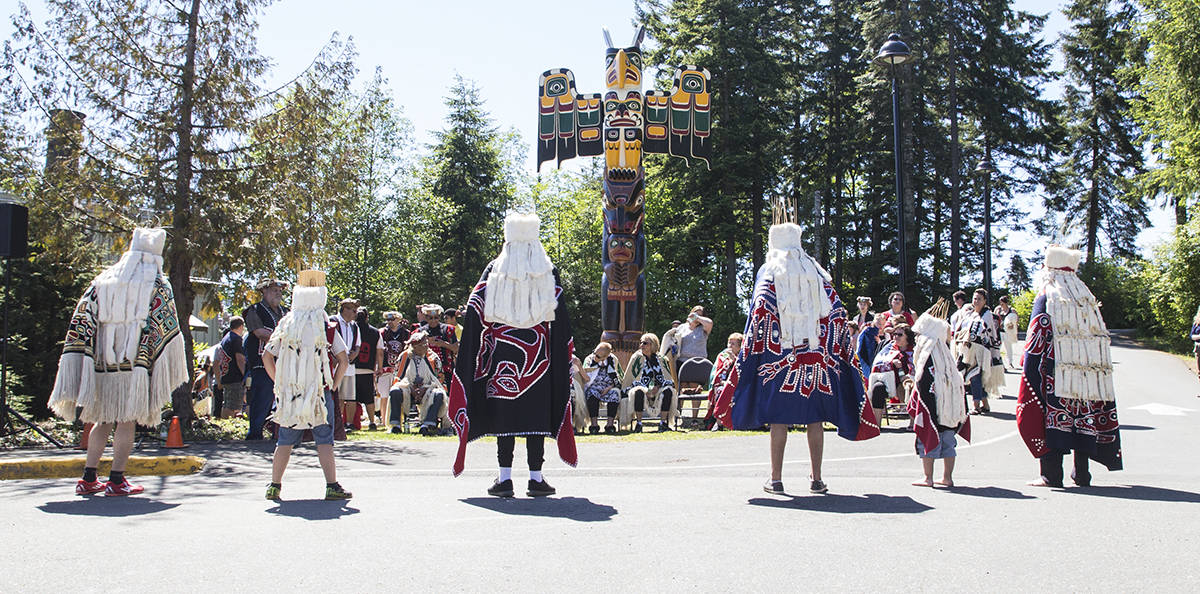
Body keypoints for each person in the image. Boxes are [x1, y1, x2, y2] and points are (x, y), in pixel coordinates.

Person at [713, 223, 879, 495]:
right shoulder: (816, 272)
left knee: (779, 419)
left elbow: (758, 314)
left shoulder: (769, 271)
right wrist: (831, 351)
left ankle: (776, 479)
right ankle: (816, 478)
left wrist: (754, 352)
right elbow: (837, 313)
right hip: (817, 362)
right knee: (815, 418)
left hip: (780, 360)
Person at [49, 227, 188, 496]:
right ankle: (116, 479)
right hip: (135, 365)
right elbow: (166, 325)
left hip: (101, 362)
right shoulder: (158, 284)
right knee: (127, 421)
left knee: (101, 419)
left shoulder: (103, 279)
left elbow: (82, 318)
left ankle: (88, 478)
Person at [449, 213, 576, 498]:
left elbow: (474, 308)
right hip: (538, 362)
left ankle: (505, 479)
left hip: (501, 358)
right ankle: (535, 478)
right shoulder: (547, 270)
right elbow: (562, 318)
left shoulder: (494, 269)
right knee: (535, 418)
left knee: (505, 418)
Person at [1018, 246, 1121, 488]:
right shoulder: (1085, 300)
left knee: (1053, 422)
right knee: (1082, 422)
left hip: (1056, 377)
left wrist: (1029, 372)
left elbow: (1036, 341)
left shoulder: (1047, 298)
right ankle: (1082, 474)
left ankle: (1051, 475)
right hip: (1086, 380)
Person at [262, 269, 352, 501]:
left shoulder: (286, 324)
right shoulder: (327, 327)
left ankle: (275, 485)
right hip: (319, 393)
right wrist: (334, 384)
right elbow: (343, 359)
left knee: (285, 440)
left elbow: (267, 355)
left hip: (292, 392)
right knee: (324, 440)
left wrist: (279, 382)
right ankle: (331, 485)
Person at [906, 300, 970, 487]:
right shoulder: (946, 352)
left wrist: (919, 401)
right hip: (949, 406)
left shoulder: (928, 351)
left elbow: (924, 380)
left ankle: (928, 478)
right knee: (948, 440)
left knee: (929, 438)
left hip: (933, 404)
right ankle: (947, 477)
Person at [243, 277, 290, 440]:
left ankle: (280, 432)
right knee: (262, 397)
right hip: (262, 363)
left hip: (284, 363)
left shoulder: (286, 312)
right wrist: (284, 338)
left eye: (279, 291)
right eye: (273, 290)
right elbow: (259, 333)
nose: (278, 294)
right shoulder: (254, 310)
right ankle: (255, 433)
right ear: (264, 291)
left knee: (284, 397)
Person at [389, 331, 450, 435]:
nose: (426, 346)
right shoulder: (404, 357)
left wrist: (425, 388)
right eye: (423, 344)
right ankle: (396, 426)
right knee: (395, 391)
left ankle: (427, 425)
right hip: (407, 389)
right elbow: (397, 378)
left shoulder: (433, 358)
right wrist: (410, 387)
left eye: (427, 344)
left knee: (439, 394)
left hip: (428, 390)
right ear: (414, 346)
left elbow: (440, 379)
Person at [959, 288, 1003, 414]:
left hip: (981, 351)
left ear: (984, 301)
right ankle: (985, 404)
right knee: (977, 377)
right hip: (969, 350)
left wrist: (969, 337)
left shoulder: (987, 315)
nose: (976, 301)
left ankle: (976, 406)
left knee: (975, 376)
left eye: (979, 299)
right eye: (974, 298)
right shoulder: (971, 314)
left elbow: (984, 332)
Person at [622, 333, 676, 432]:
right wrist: (647, 390)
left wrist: (658, 387)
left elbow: (667, 378)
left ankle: (663, 423)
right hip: (642, 388)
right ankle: (639, 423)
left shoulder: (661, 358)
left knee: (669, 391)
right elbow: (631, 377)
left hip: (658, 389)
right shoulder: (637, 357)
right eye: (641, 343)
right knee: (638, 391)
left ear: (653, 345)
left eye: (645, 343)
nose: (641, 345)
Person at [868, 323, 915, 428]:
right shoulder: (889, 348)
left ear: (907, 336)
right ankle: (876, 424)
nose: (896, 337)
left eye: (899, 335)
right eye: (894, 334)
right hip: (889, 379)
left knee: (910, 387)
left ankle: (913, 423)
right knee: (877, 388)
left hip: (907, 379)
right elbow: (880, 362)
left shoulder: (914, 350)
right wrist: (892, 362)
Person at [330, 298, 362, 430]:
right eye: (353, 310)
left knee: (349, 396)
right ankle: (336, 422)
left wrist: (353, 355)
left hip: (349, 364)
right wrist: (335, 358)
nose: (355, 313)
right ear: (345, 309)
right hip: (335, 363)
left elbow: (358, 345)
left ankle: (348, 423)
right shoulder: (333, 322)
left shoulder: (354, 326)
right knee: (336, 395)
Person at [377, 312, 409, 430]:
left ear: (398, 320)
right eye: (388, 320)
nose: (390, 322)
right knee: (384, 395)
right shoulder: (382, 333)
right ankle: (384, 420)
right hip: (385, 368)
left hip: (400, 369)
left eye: (392, 319)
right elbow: (379, 351)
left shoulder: (405, 334)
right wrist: (378, 367)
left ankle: (398, 421)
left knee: (398, 395)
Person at [582, 342, 623, 434]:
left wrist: (609, 388)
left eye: (598, 356)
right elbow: (584, 375)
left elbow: (619, 377)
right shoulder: (589, 359)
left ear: (606, 356)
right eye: (595, 353)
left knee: (615, 394)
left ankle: (610, 425)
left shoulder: (613, 360)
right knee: (591, 394)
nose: (595, 356)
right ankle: (594, 425)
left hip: (609, 387)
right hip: (593, 386)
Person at [351, 306, 381, 430]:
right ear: (367, 317)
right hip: (367, 369)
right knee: (369, 398)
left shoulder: (350, 329)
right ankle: (372, 422)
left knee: (351, 398)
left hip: (351, 368)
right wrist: (379, 367)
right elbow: (380, 351)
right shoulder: (375, 332)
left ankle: (349, 423)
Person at [705, 333, 742, 429]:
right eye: (729, 343)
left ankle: (738, 421)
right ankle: (719, 423)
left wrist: (734, 359)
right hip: (724, 384)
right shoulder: (722, 356)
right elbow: (717, 374)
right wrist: (724, 382)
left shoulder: (743, 356)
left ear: (739, 347)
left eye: (733, 344)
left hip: (740, 385)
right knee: (721, 389)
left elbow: (743, 372)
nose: (729, 346)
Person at [213, 316, 247, 418]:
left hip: (226, 376)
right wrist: (245, 375)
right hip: (235, 377)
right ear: (241, 326)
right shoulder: (236, 339)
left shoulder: (225, 339)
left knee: (227, 404)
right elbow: (240, 359)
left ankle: (225, 423)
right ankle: (227, 425)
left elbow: (217, 362)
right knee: (232, 407)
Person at [421, 304, 459, 386]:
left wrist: (443, 344)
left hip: (446, 370)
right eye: (430, 318)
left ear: (439, 317)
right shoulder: (420, 331)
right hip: (425, 368)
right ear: (426, 317)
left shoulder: (448, 329)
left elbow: (456, 349)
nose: (433, 320)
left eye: (436, 317)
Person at [855, 313, 886, 384]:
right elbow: (861, 349)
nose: (880, 326)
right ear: (874, 322)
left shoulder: (886, 334)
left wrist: (879, 342)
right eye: (878, 323)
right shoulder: (867, 332)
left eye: (882, 324)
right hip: (868, 364)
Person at [998, 296, 1020, 369]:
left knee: (1008, 348)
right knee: (998, 347)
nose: (1001, 304)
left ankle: (1010, 362)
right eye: (1000, 303)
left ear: (1006, 303)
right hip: (1000, 331)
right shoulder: (998, 310)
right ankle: (1000, 362)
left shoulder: (1012, 310)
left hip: (1008, 332)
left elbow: (1016, 319)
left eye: (1002, 303)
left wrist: (1013, 324)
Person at [1191, 306, 1200, 390]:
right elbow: (1192, 336)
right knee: (1199, 371)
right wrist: (1199, 336)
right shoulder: (1196, 324)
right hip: (1198, 348)